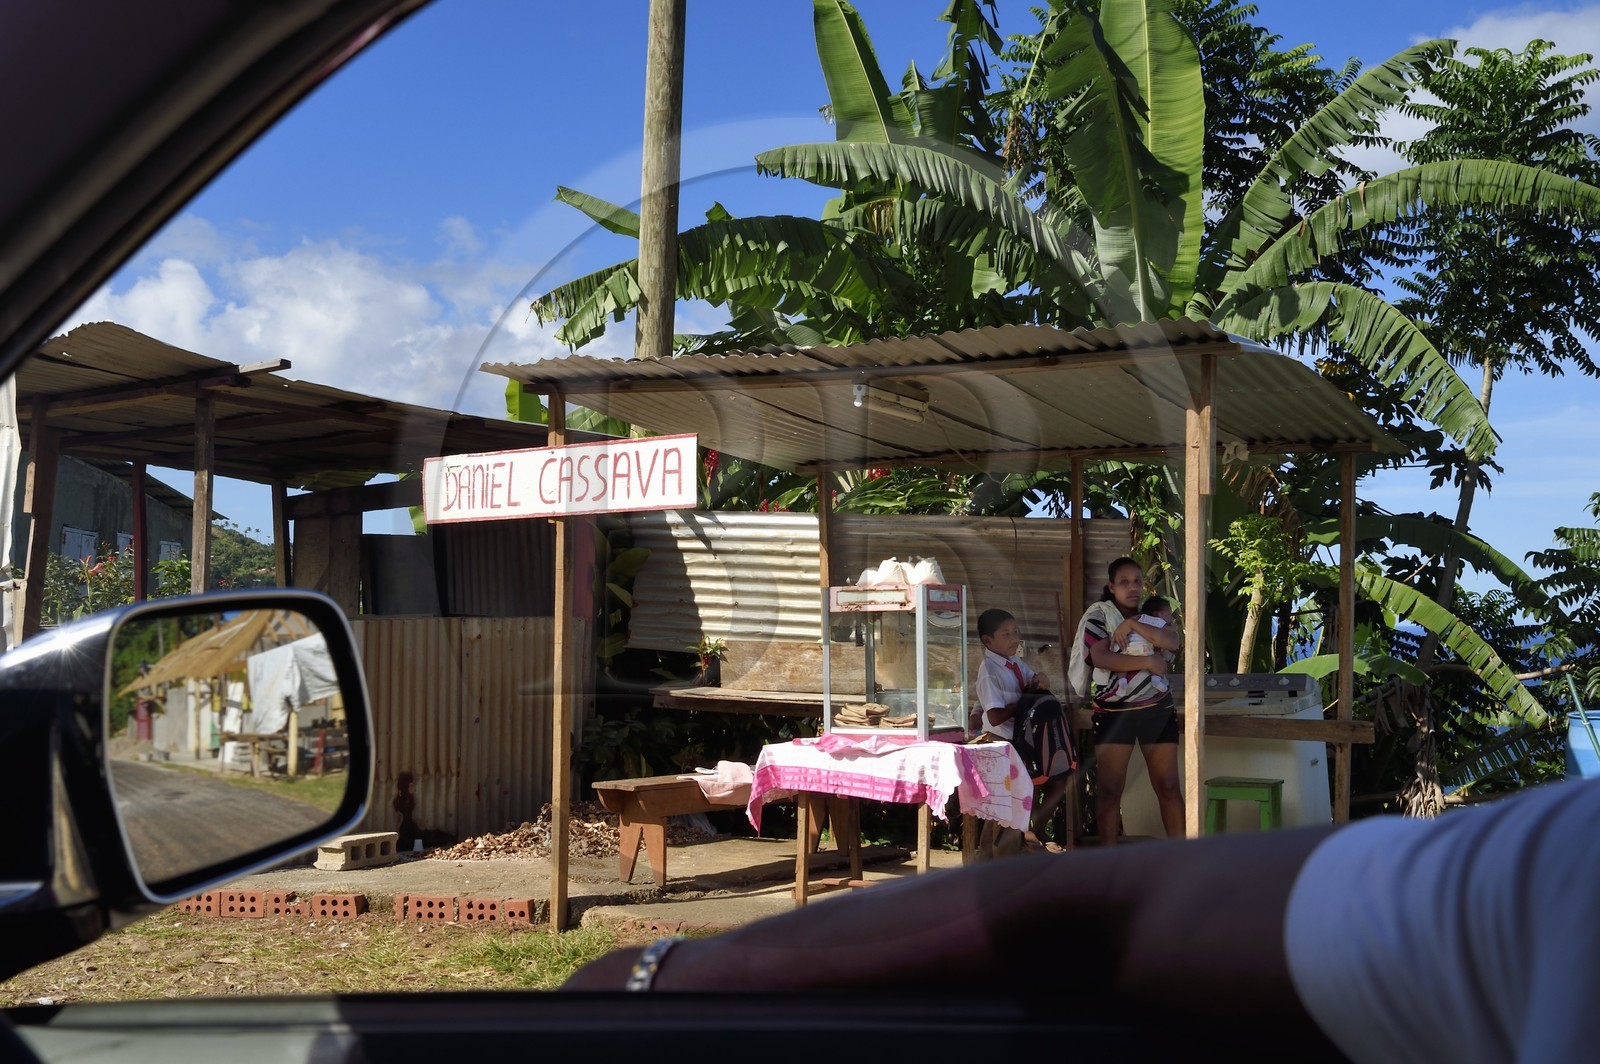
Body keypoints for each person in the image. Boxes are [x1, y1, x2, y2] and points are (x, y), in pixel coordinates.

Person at [564, 776, 1600, 1063]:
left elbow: (1114, 905)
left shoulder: (1566, 862)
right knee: (1109, 803)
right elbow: (1118, 899)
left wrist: (668, 976)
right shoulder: (1564, 868)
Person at [1077, 557, 1182, 844]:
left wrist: (1132, 623)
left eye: (1136, 581)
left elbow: (1172, 641)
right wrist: (1148, 660)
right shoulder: (1098, 616)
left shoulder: (1150, 614)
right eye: (1124, 582)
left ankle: (1182, 857)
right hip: (1114, 713)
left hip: (1157, 710)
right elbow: (1100, 657)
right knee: (1110, 788)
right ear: (1111, 587)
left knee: (1169, 785)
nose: (1132, 587)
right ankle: (1110, 861)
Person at [974, 608, 1077, 852]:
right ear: (988, 641)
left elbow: (1034, 683)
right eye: (1006, 634)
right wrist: (1024, 699)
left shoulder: (1015, 663)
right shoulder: (989, 672)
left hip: (1025, 740)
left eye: (1015, 631)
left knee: (1057, 779)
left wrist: (1040, 680)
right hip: (1002, 743)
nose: (1013, 638)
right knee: (1012, 802)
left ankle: (1036, 830)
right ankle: (1002, 854)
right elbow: (995, 716)